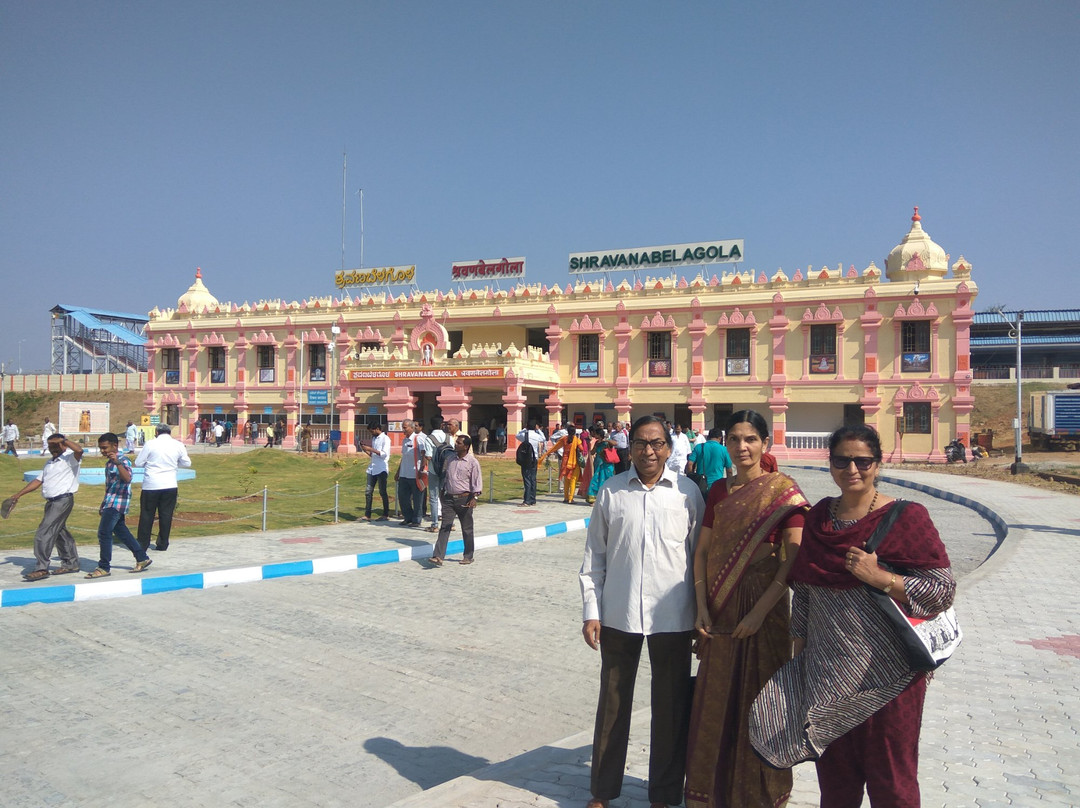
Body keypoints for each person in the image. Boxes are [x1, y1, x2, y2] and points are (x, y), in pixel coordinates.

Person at [750, 424, 956, 808]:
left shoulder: (907, 517)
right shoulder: (819, 520)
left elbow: (941, 591)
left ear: (877, 463)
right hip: (827, 679)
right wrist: (800, 664)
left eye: (862, 461)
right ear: (830, 464)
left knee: (893, 788)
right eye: (842, 460)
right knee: (836, 790)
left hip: (890, 681)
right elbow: (805, 595)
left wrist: (880, 578)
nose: (852, 469)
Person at [683, 410, 809, 808]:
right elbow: (703, 551)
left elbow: (793, 559)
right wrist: (701, 608)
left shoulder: (783, 492)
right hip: (720, 608)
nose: (742, 447)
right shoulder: (719, 492)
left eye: (751, 439)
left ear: (765, 444)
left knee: (762, 702)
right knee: (716, 698)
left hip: (766, 610)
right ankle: (710, 792)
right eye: (735, 439)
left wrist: (759, 613)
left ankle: (760, 795)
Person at [580, 415, 704, 808]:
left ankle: (664, 794)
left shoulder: (687, 493)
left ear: (669, 448)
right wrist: (591, 610)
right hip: (619, 614)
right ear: (628, 447)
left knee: (671, 706)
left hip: (674, 616)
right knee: (613, 703)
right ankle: (603, 791)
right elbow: (595, 556)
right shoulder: (612, 492)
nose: (648, 451)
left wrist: (702, 614)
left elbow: (699, 559)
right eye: (640, 443)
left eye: (656, 443)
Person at [9, 433, 83, 581]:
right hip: (51, 502)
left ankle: (41, 568)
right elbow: (38, 481)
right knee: (59, 532)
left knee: (44, 532)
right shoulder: (49, 463)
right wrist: (18, 494)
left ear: (63, 445)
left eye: (55, 445)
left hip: (63, 500)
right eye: (50, 446)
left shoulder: (70, 458)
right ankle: (71, 563)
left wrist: (64, 440)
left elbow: (79, 450)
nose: (52, 448)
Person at [85, 432, 153, 578]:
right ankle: (142, 557)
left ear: (115, 446)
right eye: (101, 448)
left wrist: (118, 463)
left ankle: (104, 566)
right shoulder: (109, 463)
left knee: (104, 533)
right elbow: (109, 486)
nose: (102, 451)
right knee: (121, 532)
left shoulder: (123, 461)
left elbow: (127, 478)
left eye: (105, 448)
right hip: (110, 502)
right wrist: (103, 504)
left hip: (118, 503)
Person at [135, 423, 192, 552]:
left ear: (156, 432)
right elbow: (187, 463)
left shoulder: (150, 444)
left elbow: (138, 463)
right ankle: (163, 543)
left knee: (147, 515)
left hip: (151, 484)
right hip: (170, 484)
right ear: (169, 433)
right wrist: (174, 463)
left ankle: (142, 544)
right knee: (166, 515)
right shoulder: (178, 445)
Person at [428, 434, 483, 566]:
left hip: (465, 500)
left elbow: (477, 481)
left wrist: (474, 497)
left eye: (459, 443)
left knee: (467, 529)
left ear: (466, 446)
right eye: (456, 442)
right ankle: (438, 556)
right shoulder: (450, 459)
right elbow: (446, 476)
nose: (455, 444)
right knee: (445, 527)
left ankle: (468, 556)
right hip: (448, 499)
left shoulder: (472, 462)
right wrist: (443, 493)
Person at [395, 419, 429, 527]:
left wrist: (421, 470)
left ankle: (416, 520)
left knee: (417, 498)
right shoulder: (404, 440)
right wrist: (398, 472)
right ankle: (408, 517)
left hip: (415, 474)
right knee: (403, 497)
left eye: (405, 427)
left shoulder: (418, 439)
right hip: (404, 473)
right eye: (403, 427)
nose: (403, 430)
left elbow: (424, 454)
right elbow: (404, 457)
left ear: (412, 427)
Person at [538, 425, 584, 504]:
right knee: (573, 480)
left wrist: (546, 454)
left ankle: (566, 498)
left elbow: (555, 447)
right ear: (574, 432)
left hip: (565, 461)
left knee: (566, 480)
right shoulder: (577, 440)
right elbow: (582, 449)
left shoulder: (564, 439)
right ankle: (571, 498)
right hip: (574, 463)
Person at [684, 427, 734, 497]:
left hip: (700, 485)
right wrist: (729, 487)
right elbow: (729, 471)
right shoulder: (724, 450)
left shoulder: (699, 447)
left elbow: (689, 464)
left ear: (709, 437)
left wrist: (691, 478)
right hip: (717, 485)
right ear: (720, 438)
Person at [359, 421, 391, 520]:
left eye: (372, 431)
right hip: (372, 468)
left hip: (381, 468)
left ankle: (385, 514)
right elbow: (373, 455)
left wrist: (371, 449)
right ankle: (367, 514)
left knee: (382, 492)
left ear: (377, 429)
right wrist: (365, 449)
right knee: (368, 492)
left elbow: (384, 454)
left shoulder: (385, 439)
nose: (371, 433)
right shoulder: (374, 438)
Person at [515, 421, 548, 506]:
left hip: (526, 459)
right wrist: (538, 430)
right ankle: (533, 499)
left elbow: (517, 435)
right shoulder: (537, 436)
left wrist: (524, 429)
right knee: (533, 479)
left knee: (527, 479)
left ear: (527, 426)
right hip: (534, 459)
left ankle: (527, 500)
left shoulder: (524, 435)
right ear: (535, 427)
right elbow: (543, 438)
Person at [585, 425, 616, 505]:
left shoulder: (606, 443)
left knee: (608, 481)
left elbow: (615, 443)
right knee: (596, 480)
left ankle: (608, 499)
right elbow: (592, 452)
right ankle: (594, 498)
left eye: (596, 434)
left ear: (599, 435)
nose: (594, 435)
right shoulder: (596, 443)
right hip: (598, 463)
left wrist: (607, 440)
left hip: (607, 465)